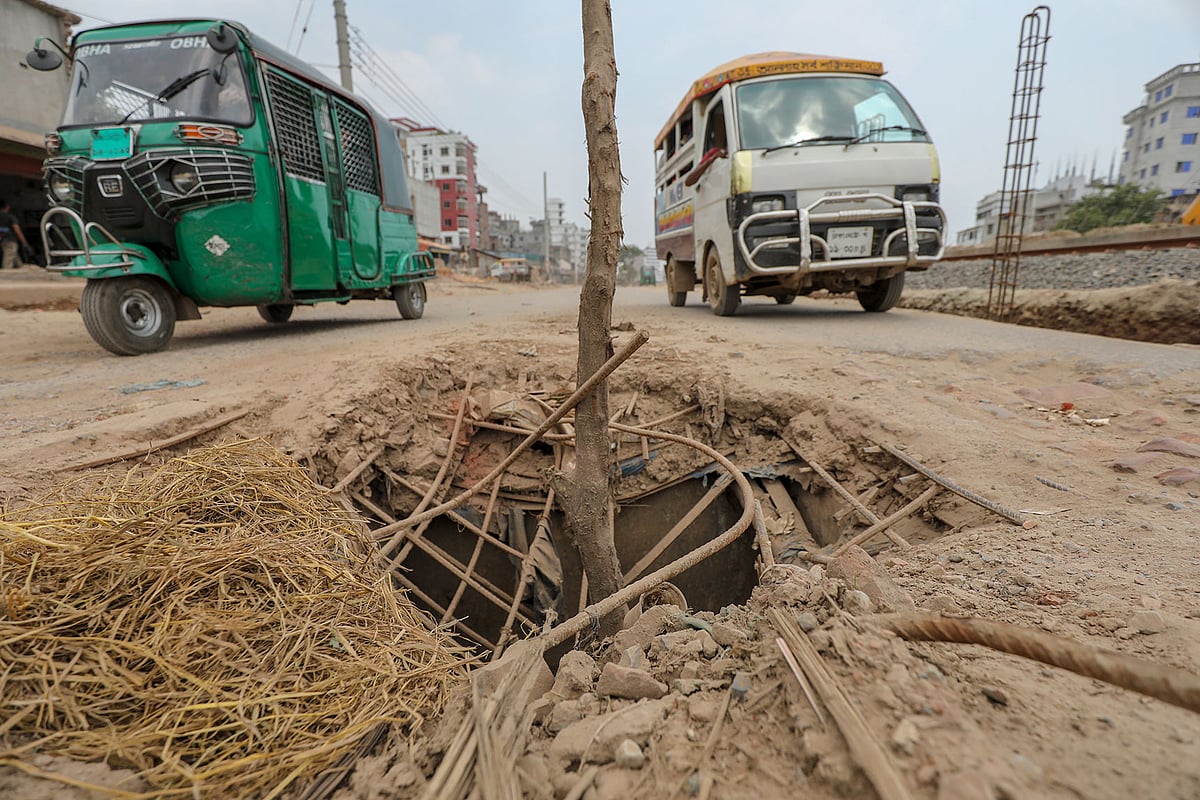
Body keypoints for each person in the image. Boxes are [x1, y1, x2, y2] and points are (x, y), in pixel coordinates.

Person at [0, 200, 31, 270]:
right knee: (8, 262)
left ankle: (22, 269)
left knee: (15, 258)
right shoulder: (10, 217)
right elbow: (17, 231)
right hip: (10, 240)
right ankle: (6, 276)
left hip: (2, 240)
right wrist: (24, 243)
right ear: (7, 207)